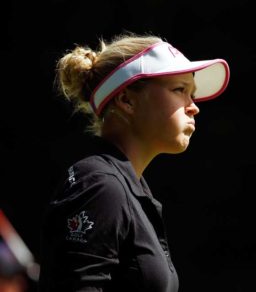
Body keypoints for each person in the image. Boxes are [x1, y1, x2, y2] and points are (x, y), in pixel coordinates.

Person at [38, 32, 230, 292]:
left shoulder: (127, 188)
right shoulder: (99, 186)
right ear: (127, 100)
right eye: (180, 90)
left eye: (192, 94)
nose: (193, 106)